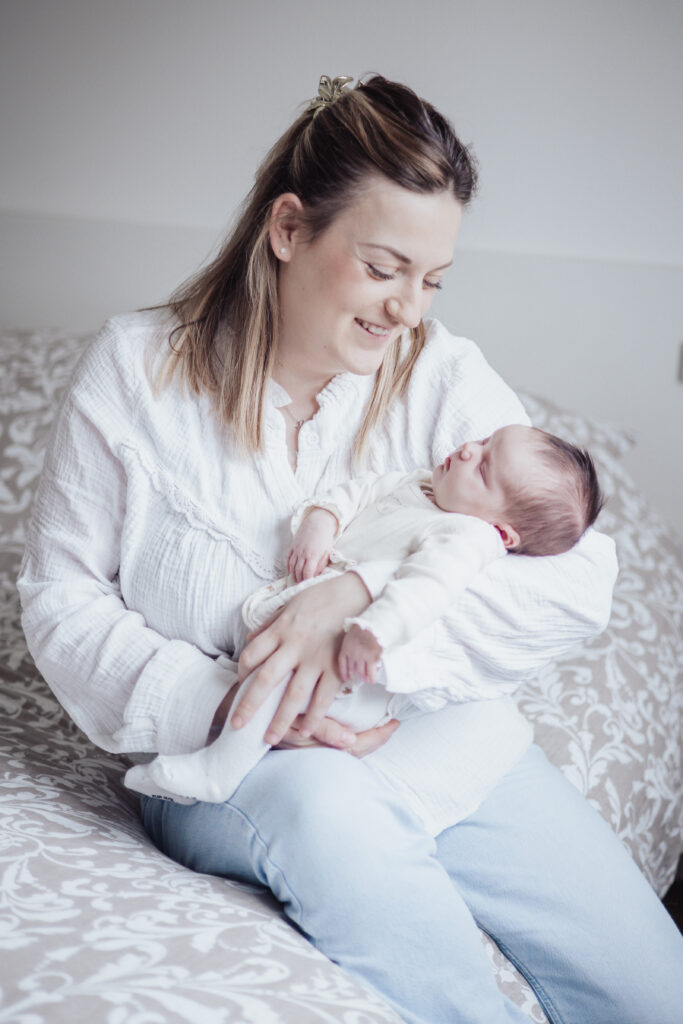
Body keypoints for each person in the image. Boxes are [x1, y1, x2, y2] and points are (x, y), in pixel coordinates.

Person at [17, 74, 682, 1024]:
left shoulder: (440, 375)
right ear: (289, 230)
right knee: (341, 831)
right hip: (245, 759)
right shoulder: (132, 376)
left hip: (444, 743)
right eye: (383, 268)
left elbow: (576, 581)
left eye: (433, 279)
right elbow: (59, 596)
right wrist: (234, 702)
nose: (407, 308)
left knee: (652, 987)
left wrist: (349, 603)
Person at [124, 423, 605, 811]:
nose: (466, 451)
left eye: (483, 468)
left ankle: (218, 772)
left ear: (501, 532)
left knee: (278, 681)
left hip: (358, 668)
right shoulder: (419, 486)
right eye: (482, 441)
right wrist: (322, 521)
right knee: (267, 672)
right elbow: (359, 491)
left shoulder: (465, 536)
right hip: (318, 636)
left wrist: (374, 632)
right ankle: (229, 755)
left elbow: (427, 589)